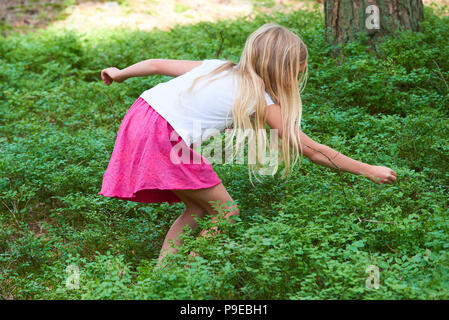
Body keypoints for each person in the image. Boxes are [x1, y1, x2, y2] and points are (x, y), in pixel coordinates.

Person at [98, 23, 397, 265]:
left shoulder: (217, 67)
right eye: (297, 70)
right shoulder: (260, 98)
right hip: (164, 134)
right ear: (283, 70)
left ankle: (163, 276)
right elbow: (309, 148)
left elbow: (155, 64)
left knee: (198, 209)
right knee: (226, 212)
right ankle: (186, 276)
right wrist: (368, 170)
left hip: (139, 117)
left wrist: (119, 73)